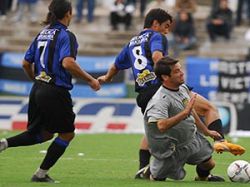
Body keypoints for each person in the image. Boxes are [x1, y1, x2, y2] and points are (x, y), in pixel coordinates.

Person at [97, 8, 245, 178]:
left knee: (154, 130)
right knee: (209, 108)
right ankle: (220, 142)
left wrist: (106, 78)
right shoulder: (156, 36)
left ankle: (143, 168)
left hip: (144, 94)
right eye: (166, 26)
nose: (167, 31)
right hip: (162, 87)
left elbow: (116, 66)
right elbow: (157, 56)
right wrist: (167, 78)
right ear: (155, 24)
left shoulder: (132, 42)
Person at [0, 0, 100, 183]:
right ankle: (40, 174)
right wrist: (90, 80)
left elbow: (25, 63)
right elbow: (67, 62)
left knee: (43, 133)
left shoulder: (42, 34)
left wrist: (37, 81)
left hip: (38, 88)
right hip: (55, 90)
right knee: (67, 133)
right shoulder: (66, 35)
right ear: (69, 13)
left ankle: (4, 143)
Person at [138, 56, 224, 181]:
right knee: (158, 179)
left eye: (180, 69)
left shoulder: (182, 88)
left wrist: (206, 131)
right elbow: (161, 126)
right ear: (165, 77)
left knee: (209, 164)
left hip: (190, 139)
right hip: (171, 149)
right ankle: (149, 170)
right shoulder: (160, 100)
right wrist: (184, 114)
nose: (182, 73)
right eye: (177, 71)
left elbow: (191, 112)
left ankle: (202, 178)